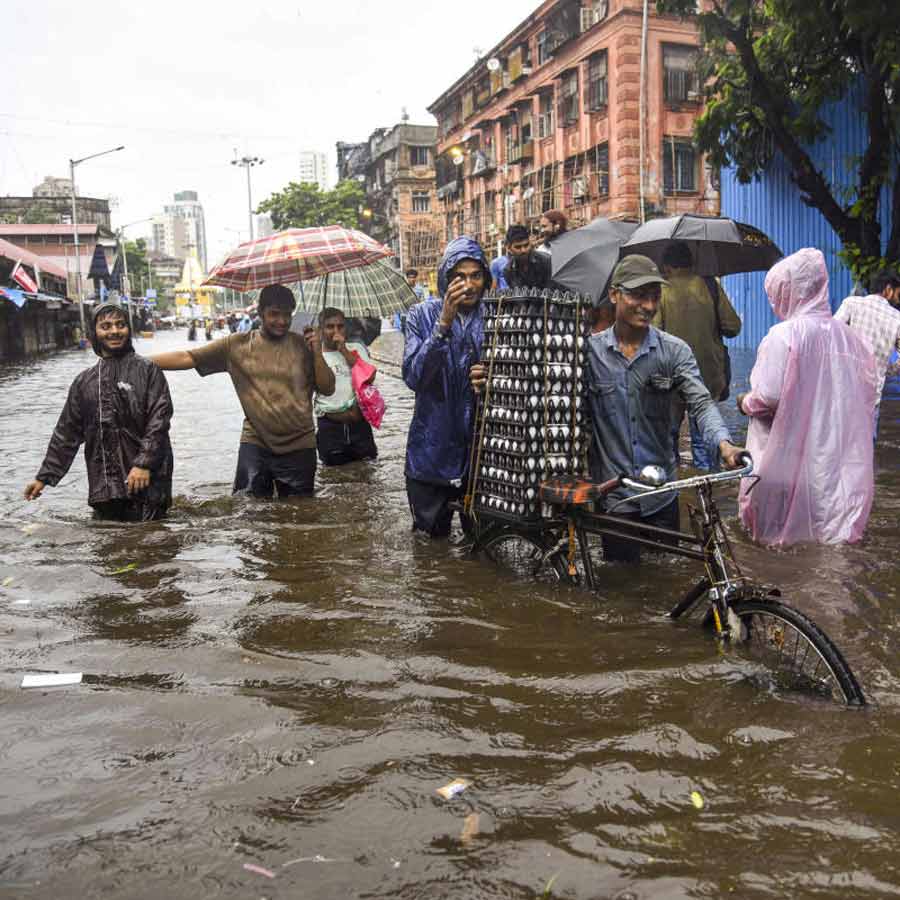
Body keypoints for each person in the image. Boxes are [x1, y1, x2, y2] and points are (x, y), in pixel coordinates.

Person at [585, 255, 745, 563]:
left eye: (654, 296)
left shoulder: (674, 351)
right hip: (615, 498)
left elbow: (701, 403)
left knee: (665, 582)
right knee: (620, 586)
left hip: (661, 495)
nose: (648, 305)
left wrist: (725, 446)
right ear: (615, 294)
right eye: (638, 295)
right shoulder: (589, 353)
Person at [735, 249, 876, 546]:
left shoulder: (783, 335)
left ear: (788, 291)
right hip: (837, 458)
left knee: (779, 542)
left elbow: (767, 398)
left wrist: (744, 401)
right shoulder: (850, 338)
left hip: (787, 458)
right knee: (831, 538)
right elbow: (866, 393)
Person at [151, 284, 335, 498]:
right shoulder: (236, 346)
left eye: (287, 315)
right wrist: (136, 361)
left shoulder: (304, 345)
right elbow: (189, 358)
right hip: (256, 442)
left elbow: (328, 388)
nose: (282, 321)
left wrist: (318, 352)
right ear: (261, 312)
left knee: (299, 513)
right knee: (246, 509)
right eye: (274, 314)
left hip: (300, 444)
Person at [24, 302, 174, 521]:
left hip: (148, 480)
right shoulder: (84, 382)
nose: (114, 331)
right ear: (94, 333)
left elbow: (159, 421)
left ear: (128, 330)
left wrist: (143, 463)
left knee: (152, 541)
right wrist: (44, 478)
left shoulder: (148, 370)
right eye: (106, 326)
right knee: (108, 545)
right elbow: (66, 434)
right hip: (103, 486)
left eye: (120, 325)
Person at [403, 236, 489, 537]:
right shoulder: (420, 315)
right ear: (445, 279)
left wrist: (493, 379)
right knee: (429, 549)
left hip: (479, 458)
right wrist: (443, 326)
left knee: (482, 547)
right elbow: (414, 377)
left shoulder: (496, 317)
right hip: (430, 456)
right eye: (459, 277)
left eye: (476, 276)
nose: (468, 285)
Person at [653, 241, 742, 468]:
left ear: (668, 266)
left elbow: (653, 336)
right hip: (708, 376)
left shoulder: (661, 290)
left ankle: (672, 494)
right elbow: (733, 327)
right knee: (705, 440)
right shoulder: (710, 285)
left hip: (670, 379)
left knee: (668, 440)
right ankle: (707, 493)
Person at [833, 267, 900, 437]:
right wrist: (888, 368)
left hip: (841, 390)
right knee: (864, 451)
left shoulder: (851, 303)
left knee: (837, 447)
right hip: (870, 399)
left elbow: (830, 334)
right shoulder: (896, 318)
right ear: (888, 289)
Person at [315, 307, 378, 466]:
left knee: (368, 472)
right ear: (320, 329)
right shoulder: (316, 356)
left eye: (340, 326)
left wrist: (343, 349)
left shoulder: (356, 349)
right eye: (330, 326)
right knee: (334, 478)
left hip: (360, 427)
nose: (335, 331)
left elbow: (369, 378)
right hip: (330, 429)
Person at [503, 224, 552, 290]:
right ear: (509, 248)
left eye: (526, 245)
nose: (523, 250)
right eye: (518, 247)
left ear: (530, 243)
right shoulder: (508, 270)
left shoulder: (546, 261)